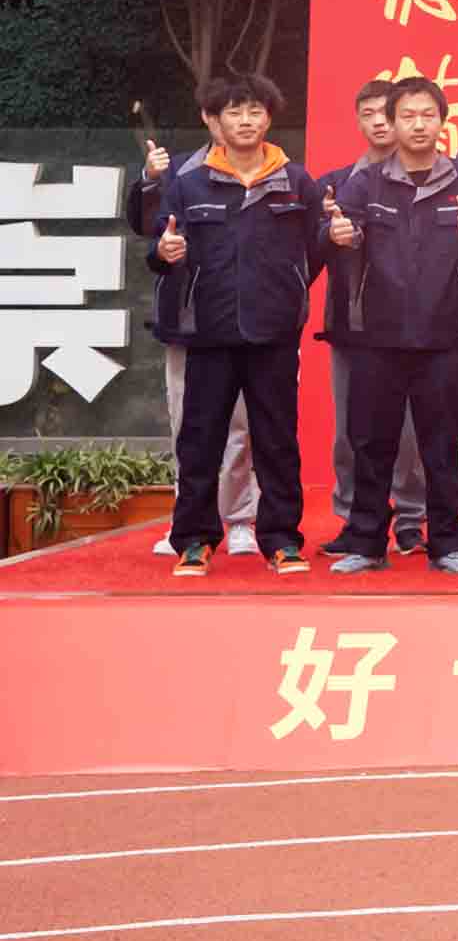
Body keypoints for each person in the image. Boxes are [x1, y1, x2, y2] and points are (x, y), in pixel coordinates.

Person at [149, 73, 323, 575]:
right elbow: (160, 247)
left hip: (273, 334)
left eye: (254, 111)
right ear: (215, 121)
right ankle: (194, 539)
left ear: (269, 118)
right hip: (209, 332)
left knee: (277, 440)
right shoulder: (189, 184)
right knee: (200, 439)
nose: (245, 121)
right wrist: (164, 251)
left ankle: (282, 539)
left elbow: (315, 249)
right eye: (234, 112)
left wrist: (287, 291)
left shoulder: (296, 181)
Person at [322, 77, 458, 574]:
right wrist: (338, 233)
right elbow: (337, 234)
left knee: (442, 444)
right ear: (392, 123)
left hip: (442, 335)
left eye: (427, 115)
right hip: (377, 336)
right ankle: (366, 542)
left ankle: (448, 544)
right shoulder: (366, 183)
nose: (418, 125)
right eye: (408, 116)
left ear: (443, 122)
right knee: (372, 441)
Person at [324, 76, 428, 559]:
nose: (380, 123)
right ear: (359, 122)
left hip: (414, 327)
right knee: (352, 431)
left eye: (388, 113)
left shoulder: (431, 177)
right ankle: (354, 519)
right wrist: (329, 229)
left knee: (409, 432)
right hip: (353, 324)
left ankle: (410, 519)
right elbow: (312, 249)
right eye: (368, 114)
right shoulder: (338, 183)